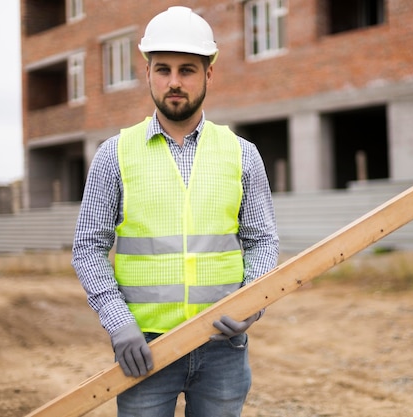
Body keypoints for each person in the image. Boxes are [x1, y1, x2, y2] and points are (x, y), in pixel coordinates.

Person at [71, 6, 279, 417]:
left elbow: (263, 241)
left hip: (223, 347)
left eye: (187, 70)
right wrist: (119, 324)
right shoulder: (114, 154)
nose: (174, 82)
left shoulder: (242, 155)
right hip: (145, 348)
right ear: (147, 73)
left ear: (208, 75)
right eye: (163, 69)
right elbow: (87, 248)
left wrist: (252, 302)